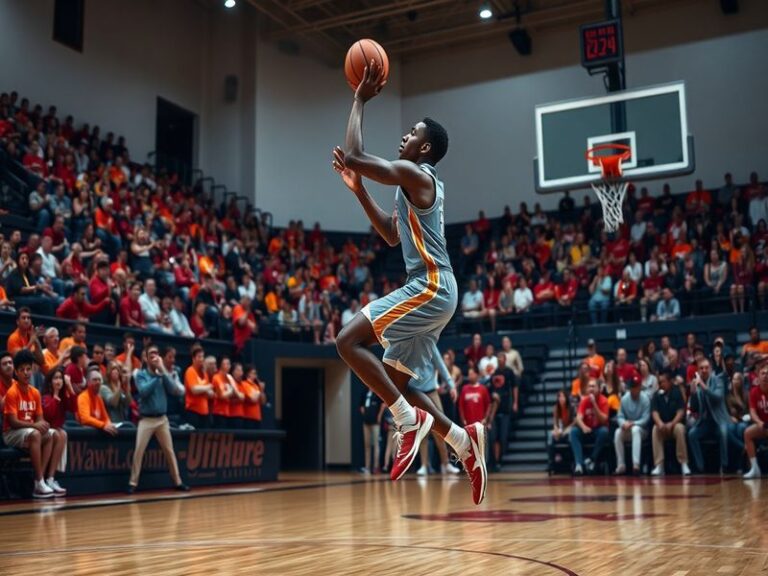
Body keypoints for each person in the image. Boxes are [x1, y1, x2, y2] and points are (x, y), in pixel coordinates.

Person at [331, 63, 486, 504]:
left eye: (413, 133)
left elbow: (356, 152)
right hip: (437, 290)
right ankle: (461, 440)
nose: (405, 136)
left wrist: (359, 99)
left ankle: (406, 420)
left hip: (431, 285)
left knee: (346, 341)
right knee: (398, 383)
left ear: (427, 147)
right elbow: (391, 234)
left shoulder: (419, 175)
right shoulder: (410, 185)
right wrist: (359, 190)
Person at [3, 350, 67, 498]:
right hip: (10, 433)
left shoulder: (35, 393)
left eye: (28, 369)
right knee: (36, 433)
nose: (26, 373)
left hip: (28, 432)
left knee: (52, 434)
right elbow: (12, 422)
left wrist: (41, 424)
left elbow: (39, 418)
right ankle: (38, 480)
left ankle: (42, 480)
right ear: (16, 373)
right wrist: (35, 426)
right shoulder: (12, 393)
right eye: (22, 370)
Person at [127, 345, 189, 494]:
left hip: (162, 419)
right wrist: (157, 376)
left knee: (170, 451)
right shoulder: (141, 375)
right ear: (147, 358)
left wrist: (163, 371)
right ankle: (133, 483)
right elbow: (144, 392)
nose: (154, 356)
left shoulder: (162, 374)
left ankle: (178, 482)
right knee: (138, 451)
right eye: (151, 354)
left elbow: (174, 389)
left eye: (156, 353)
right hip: (146, 420)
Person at [413, 343, 460, 476]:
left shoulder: (430, 344)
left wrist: (451, 385)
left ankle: (445, 464)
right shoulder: (408, 347)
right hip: (416, 394)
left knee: (440, 429)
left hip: (432, 392)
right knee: (422, 431)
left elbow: (441, 366)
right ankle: (423, 465)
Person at [687, 357, 731, 474]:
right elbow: (694, 408)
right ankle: (700, 467)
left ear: (710, 369)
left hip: (719, 421)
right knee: (692, 434)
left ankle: (724, 465)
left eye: (706, 368)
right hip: (705, 422)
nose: (704, 370)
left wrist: (702, 386)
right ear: (698, 370)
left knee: (723, 432)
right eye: (701, 368)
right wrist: (693, 394)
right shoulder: (697, 384)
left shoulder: (718, 380)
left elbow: (717, 398)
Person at [650, 371, 690, 476]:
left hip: (675, 424)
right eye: (659, 382)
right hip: (663, 426)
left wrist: (672, 423)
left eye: (663, 382)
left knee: (680, 429)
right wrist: (660, 424)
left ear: (669, 382)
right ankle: (659, 465)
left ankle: (683, 463)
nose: (661, 384)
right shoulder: (656, 395)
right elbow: (654, 412)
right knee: (655, 429)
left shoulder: (677, 392)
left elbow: (681, 411)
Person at [569, 378, 609, 475]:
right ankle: (579, 465)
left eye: (593, 386)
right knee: (573, 431)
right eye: (589, 386)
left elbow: (604, 420)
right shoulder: (584, 401)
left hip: (598, 430)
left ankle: (592, 459)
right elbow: (578, 418)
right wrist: (583, 427)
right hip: (587, 430)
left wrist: (594, 403)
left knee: (604, 431)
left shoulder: (604, 400)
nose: (591, 388)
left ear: (599, 389)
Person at [613, 376, 650, 475]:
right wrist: (623, 423)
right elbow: (619, 416)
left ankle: (636, 465)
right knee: (617, 432)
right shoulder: (624, 399)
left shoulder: (645, 399)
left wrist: (633, 423)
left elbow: (646, 419)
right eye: (632, 387)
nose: (634, 390)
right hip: (628, 427)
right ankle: (621, 465)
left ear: (639, 387)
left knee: (635, 430)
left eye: (636, 387)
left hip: (642, 430)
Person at [489, 352, 517, 472]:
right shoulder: (494, 373)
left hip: (505, 408)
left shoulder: (509, 372)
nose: (499, 359)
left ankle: (500, 458)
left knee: (502, 437)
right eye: (498, 357)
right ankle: (496, 462)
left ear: (505, 359)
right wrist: (493, 394)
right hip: (495, 410)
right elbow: (490, 389)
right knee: (494, 437)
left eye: (501, 357)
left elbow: (515, 387)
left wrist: (515, 402)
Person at [743, 363, 768, 478]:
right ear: (758, 376)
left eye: (767, 374)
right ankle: (754, 468)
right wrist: (759, 422)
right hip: (762, 425)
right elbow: (752, 412)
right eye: (763, 373)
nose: (765, 376)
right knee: (747, 433)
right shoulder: (754, 392)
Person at [77, 367, 118, 434]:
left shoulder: (99, 398)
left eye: (99, 380)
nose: (98, 382)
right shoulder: (83, 397)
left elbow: (105, 418)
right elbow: (85, 419)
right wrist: (103, 425)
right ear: (88, 382)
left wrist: (109, 424)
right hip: (86, 435)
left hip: (97, 432)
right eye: (95, 380)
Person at [184, 344, 214, 429]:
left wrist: (205, 389)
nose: (201, 359)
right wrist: (207, 387)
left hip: (205, 412)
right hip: (193, 412)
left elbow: (211, 394)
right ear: (193, 358)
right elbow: (194, 389)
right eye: (199, 357)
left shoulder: (205, 374)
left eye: (202, 357)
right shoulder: (190, 371)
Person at [360, 388, 385, 474]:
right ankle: (367, 467)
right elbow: (361, 406)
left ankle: (375, 467)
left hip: (375, 423)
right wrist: (364, 413)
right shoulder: (365, 392)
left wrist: (379, 416)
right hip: (366, 422)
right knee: (367, 445)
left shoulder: (377, 393)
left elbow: (383, 405)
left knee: (376, 444)